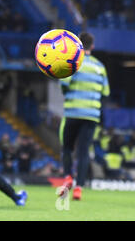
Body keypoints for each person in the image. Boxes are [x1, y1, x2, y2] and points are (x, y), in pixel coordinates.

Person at [58, 32, 110, 200]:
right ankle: (79, 188)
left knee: (67, 147)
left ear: (78, 45)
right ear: (92, 46)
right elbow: (106, 92)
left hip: (73, 112)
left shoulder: (73, 63)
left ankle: (67, 177)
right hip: (91, 115)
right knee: (83, 152)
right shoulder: (100, 67)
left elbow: (64, 86)